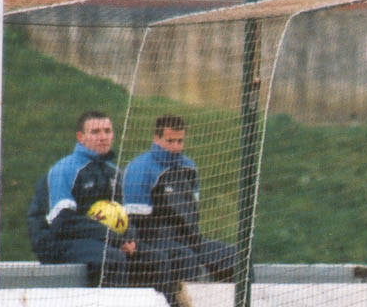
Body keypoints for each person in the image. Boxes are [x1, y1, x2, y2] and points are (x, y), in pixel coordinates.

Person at [26, 110, 166, 287]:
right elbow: (62, 221)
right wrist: (113, 239)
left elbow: (123, 215)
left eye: (107, 131)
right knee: (113, 259)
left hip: (99, 240)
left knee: (157, 260)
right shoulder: (66, 169)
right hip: (57, 242)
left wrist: (129, 238)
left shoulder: (112, 172)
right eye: (95, 132)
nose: (103, 137)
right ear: (80, 137)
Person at [122, 114, 237, 286]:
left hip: (188, 238)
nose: (176, 147)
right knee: (186, 259)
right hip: (153, 239)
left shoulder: (189, 167)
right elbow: (134, 221)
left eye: (180, 141)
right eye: (170, 141)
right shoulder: (140, 168)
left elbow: (191, 214)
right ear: (156, 138)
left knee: (235, 255)